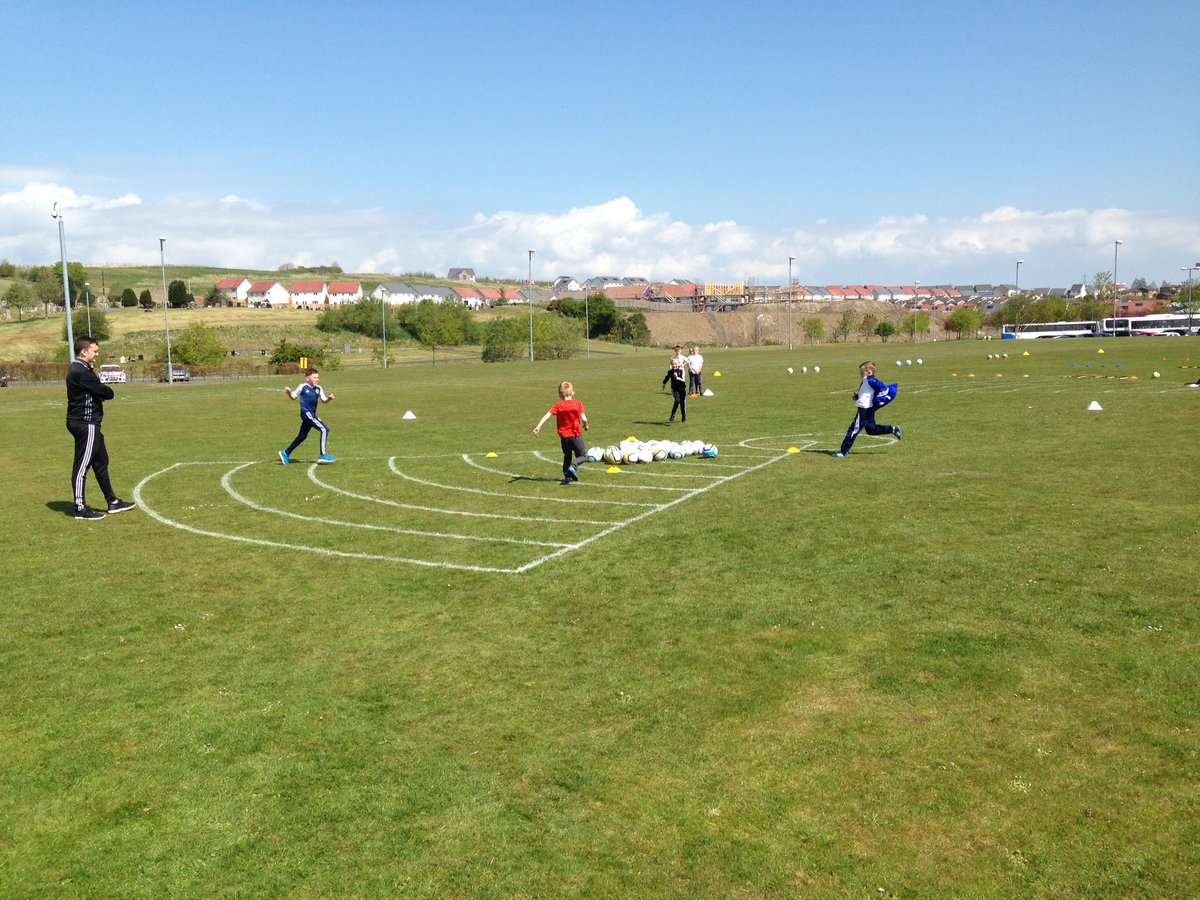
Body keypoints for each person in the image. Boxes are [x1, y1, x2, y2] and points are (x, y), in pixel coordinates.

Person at [66, 335, 135, 520]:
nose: (96, 355)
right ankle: (80, 508)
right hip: (85, 424)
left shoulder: (81, 369)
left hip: (91, 424)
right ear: (84, 351)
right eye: (94, 351)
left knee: (101, 462)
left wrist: (99, 394)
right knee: (82, 467)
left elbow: (98, 391)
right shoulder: (81, 371)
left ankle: (112, 502)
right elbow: (106, 392)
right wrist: (101, 394)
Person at [832, 360, 902, 457]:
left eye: (862, 372)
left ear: (869, 372)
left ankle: (844, 451)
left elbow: (883, 388)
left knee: (853, 430)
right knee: (871, 430)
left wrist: (880, 399)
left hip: (865, 409)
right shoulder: (865, 381)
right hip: (868, 409)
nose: (860, 374)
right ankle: (892, 429)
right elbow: (867, 394)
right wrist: (857, 397)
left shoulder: (871, 381)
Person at [533, 380, 589, 484]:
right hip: (575, 435)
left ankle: (567, 477)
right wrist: (586, 425)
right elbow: (584, 418)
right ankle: (574, 466)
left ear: (560, 394)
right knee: (583, 456)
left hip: (564, 438)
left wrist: (538, 426)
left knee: (567, 456)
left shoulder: (558, 406)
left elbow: (547, 415)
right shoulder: (578, 404)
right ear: (573, 393)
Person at [279, 367, 336, 464]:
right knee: (324, 429)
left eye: (317, 377)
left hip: (312, 414)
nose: (317, 379)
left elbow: (324, 400)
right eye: (314, 377)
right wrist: (289, 393)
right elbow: (293, 397)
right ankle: (323, 454)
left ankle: (286, 453)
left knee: (302, 436)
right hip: (306, 413)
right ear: (307, 378)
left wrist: (329, 399)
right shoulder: (302, 386)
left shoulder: (319, 388)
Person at [662, 346, 688, 423]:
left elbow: (682, 379)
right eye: (672, 364)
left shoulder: (681, 370)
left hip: (682, 388)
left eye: (675, 364)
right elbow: (667, 377)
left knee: (682, 403)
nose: (674, 366)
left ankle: (683, 416)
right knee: (677, 401)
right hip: (675, 389)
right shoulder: (670, 371)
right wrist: (664, 384)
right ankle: (672, 415)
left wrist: (677, 377)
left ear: (678, 364)